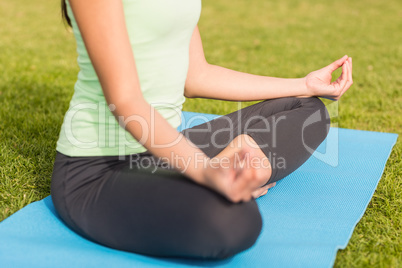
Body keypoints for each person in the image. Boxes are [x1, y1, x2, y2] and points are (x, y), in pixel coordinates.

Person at [51, 0, 353, 260]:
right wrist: (206, 171)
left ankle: (233, 167)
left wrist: (303, 84)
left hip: (167, 148)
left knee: (308, 110)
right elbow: (126, 102)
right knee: (235, 222)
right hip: (97, 171)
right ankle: (229, 174)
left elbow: (196, 75)